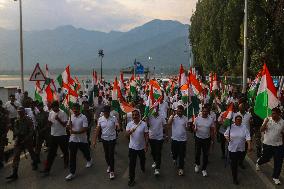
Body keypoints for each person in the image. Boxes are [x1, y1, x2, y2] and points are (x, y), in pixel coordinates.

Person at [6, 107, 38, 181]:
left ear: (24, 112)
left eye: (21, 112)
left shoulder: (28, 120)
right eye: (18, 112)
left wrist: (26, 138)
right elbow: (15, 130)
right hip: (19, 140)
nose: (20, 113)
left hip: (27, 140)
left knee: (31, 152)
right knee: (16, 156)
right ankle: (14, 173)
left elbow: (31, 130)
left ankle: (35, 163)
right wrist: (16, 133)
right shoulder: (17, 120)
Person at [256, 107, 284, 185]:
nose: (272, 115)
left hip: (279, 145)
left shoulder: (283, 122)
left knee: (279, 162)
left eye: (274, 113)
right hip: (267, 144)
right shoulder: (267, 119)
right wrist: (265, 122)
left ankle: (275, 177)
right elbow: (261, 130)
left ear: (279, 114)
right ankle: (259, 162)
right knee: (266, 158)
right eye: (272, 113)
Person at [65, 103, 92, 181]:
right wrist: (68, 125)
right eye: (74, 110)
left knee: (85, 152)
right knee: (72, 156)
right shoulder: (71, 117)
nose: (75, 112)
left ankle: (89, 160)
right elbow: (67, 127)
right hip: (73, 140)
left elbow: (85, 128)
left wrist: (76, 132)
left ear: (79, 109)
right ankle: (72, 173)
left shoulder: (83, 117)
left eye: (76, 110)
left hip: (82, 140)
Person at [41, 101, 69, 176]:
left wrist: (58, 119)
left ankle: (66, 163)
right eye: (52, 108)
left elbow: (64, 125)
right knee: (51, 154)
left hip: (62, 135)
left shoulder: (63, 113)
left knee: (65, 151)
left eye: (55, 107)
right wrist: (48, 124)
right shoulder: (51, 113)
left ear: (58, 106)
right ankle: (47, 169)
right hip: (53, 136)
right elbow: (49, 122)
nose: (53, 109)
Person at [94, 105, 120, 179]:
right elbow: (98, 129)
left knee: (111, 154)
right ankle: (109, 165)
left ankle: (112, 171)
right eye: (104, 111)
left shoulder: (113, 118)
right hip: (104, 139)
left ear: (109, 111)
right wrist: (94, 140)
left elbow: (117, 125)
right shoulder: (100, 119)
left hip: (112, 139)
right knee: (106, 154)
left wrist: (118, 127)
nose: (106, 113)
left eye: (107, 111)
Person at [224, 115, 252, 185]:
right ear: (235, 120)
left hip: (241, 148)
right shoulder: (231, 127)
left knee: (239, 160)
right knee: (234, 164)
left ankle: (236, 165)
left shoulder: (244, 127)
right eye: (237, 119)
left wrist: (249, 146)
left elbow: (248, 137)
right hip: (232, 149)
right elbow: (226, 134)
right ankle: (235, 178)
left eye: (240, 119)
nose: (239, 121)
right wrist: (228, 138)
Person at [126, 109, 149, 187]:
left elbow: (146, 135)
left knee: (142, 160)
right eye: (133, 115)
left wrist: (146, 145)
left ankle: (143, 166)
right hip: (132, 148)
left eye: (136, 115)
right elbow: (126, 136)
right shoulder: (129, 124)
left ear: (139, 115)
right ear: (132, 116)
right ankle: (131, 179)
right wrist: (130, 132)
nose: (135, 116)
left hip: (141, 147)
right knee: (132, 164)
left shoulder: (144, 124)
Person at [194, 106, 215, 177]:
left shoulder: (210, 120)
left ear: (208, 112)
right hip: (198, 138)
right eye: (204, 111)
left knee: (206, 154)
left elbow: (212, 130)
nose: (205, 112)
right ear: (202, 111)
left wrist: (212, 140)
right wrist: (194, 129)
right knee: (197, 153)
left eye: (206, 111)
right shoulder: (197, 118)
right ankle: (197, 164)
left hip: (207, 139)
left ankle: (204, 169)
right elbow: (194, 128)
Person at [168, 105, 188, 176]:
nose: (179, 112)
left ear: (183, 111)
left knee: (182, 154)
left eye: (181, 111)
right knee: (174, 153)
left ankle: (181, 168)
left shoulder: (185, 118)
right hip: (174, 139)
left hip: (183, 140)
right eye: (178, 111)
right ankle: (174, 158)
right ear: (176, 111)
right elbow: (169, 123)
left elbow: (186, 128)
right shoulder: (173, 117)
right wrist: (172, 116)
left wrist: (188, 126)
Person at [147, 109, 167, 176]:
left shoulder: (162, 116)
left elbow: (165, 126)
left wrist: (166, 135)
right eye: (154, 109)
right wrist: (146, 117)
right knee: (153, 152)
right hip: (151, 137)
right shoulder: (149, 116)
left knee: (158, 152)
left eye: (156, 109)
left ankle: (157, 169)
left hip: (159, 138)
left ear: (158, 110)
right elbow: (146, 125)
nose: (155, 110)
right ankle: (155, 161)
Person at [0, 100, 9, 169]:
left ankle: (1, 161)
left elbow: (7, 124)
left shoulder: (4, 112)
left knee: (1, 148)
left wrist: (5, 133)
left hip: (2, 133)